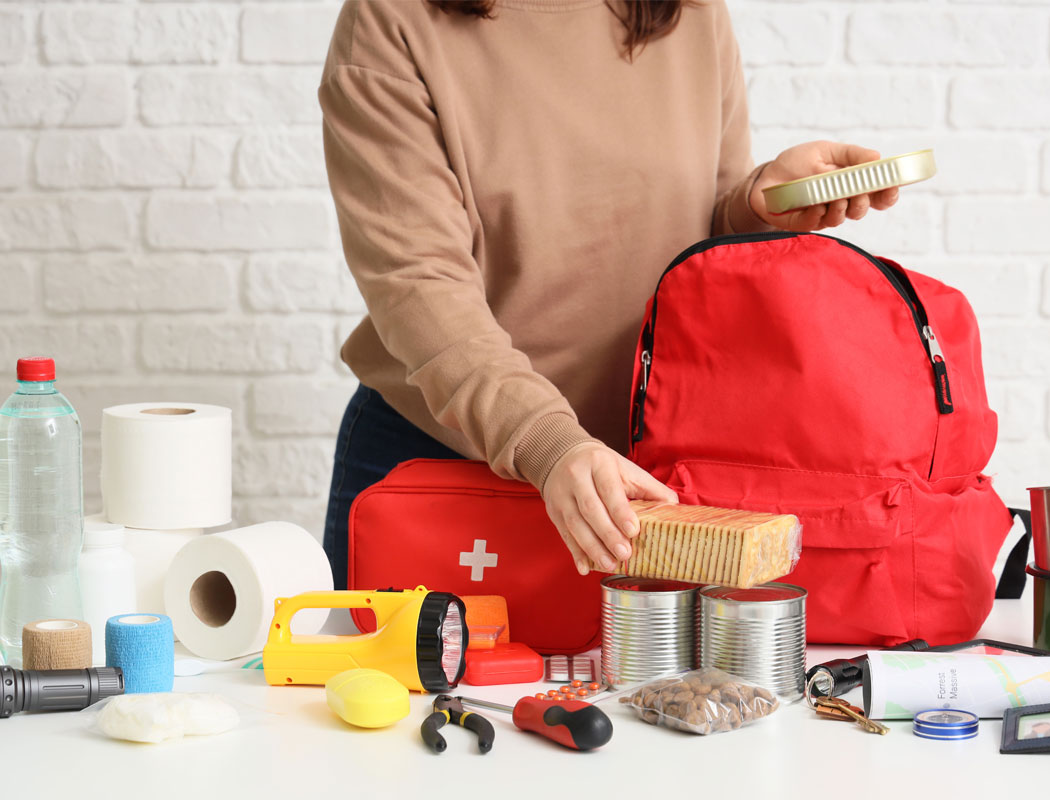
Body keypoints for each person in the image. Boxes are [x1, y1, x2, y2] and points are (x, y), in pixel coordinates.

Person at [319, 0, 899, 589]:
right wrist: (551, 444)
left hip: (643, 483)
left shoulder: (690, 13)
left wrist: (755, 207)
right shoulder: (392, 19)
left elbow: (695, 247)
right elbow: (420, 285)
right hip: (446, 459)